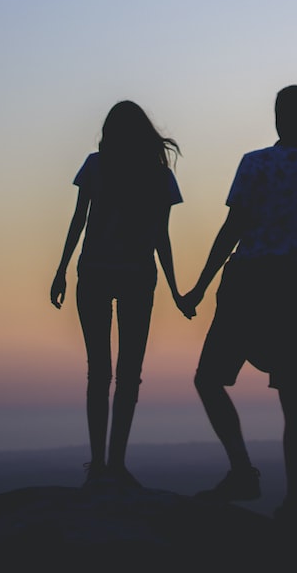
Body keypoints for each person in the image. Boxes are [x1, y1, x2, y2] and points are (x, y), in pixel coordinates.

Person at [182, 85, 297, 528]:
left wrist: (201, 287)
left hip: (249, 282)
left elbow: (232, 229)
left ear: (279, 118)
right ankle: (294, 503)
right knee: (294, 401)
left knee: (209, 379)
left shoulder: (256, 164)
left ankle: (243, 472)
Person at [51, 101, 193, 488]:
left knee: (99, 373)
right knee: (128, 375)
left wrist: (61, 270)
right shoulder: (159, 176)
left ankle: (100, 465)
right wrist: (177, 291)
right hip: (136, 277)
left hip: (95, 272)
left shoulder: (96, 165)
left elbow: (79, 220)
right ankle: (114, 464)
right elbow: (161, 238)